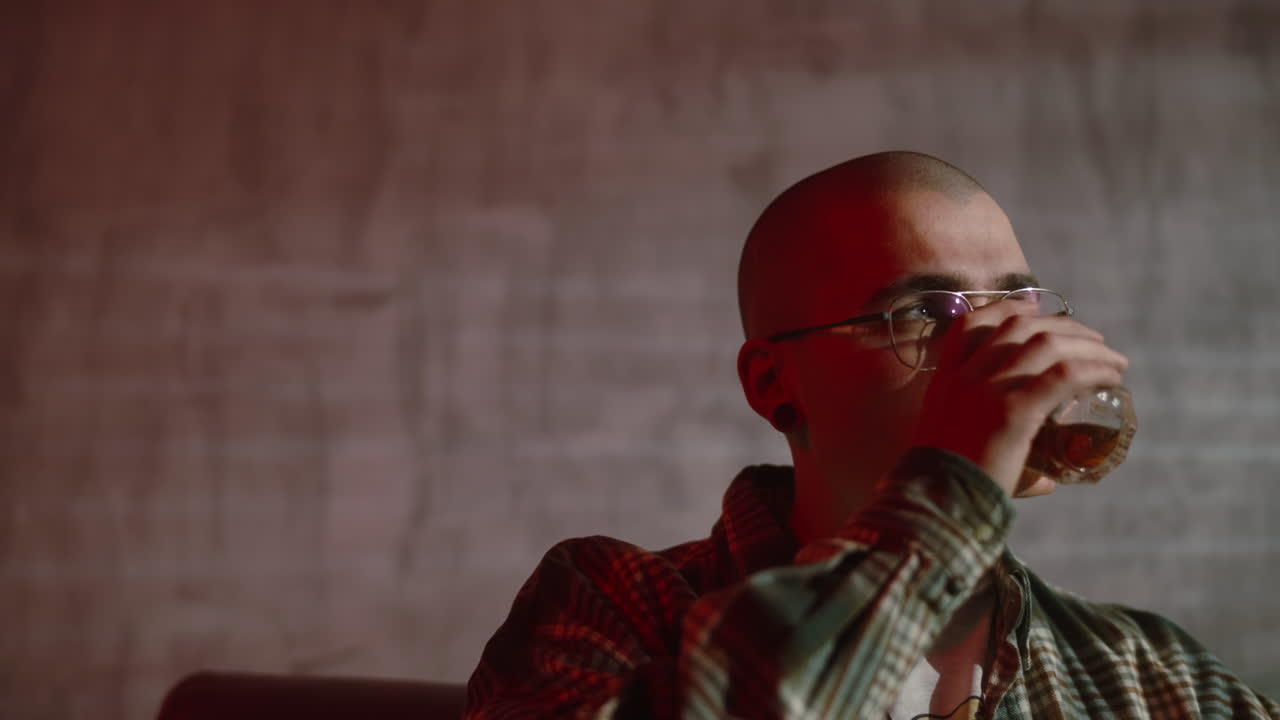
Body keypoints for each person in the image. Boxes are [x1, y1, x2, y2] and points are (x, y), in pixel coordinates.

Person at [463, 152, 1279, 718]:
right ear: (773, 385)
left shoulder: (1149, 672)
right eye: (925, 313)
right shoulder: (613, 602)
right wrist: (953, 487)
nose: (1002, 347)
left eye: (1016, 302)